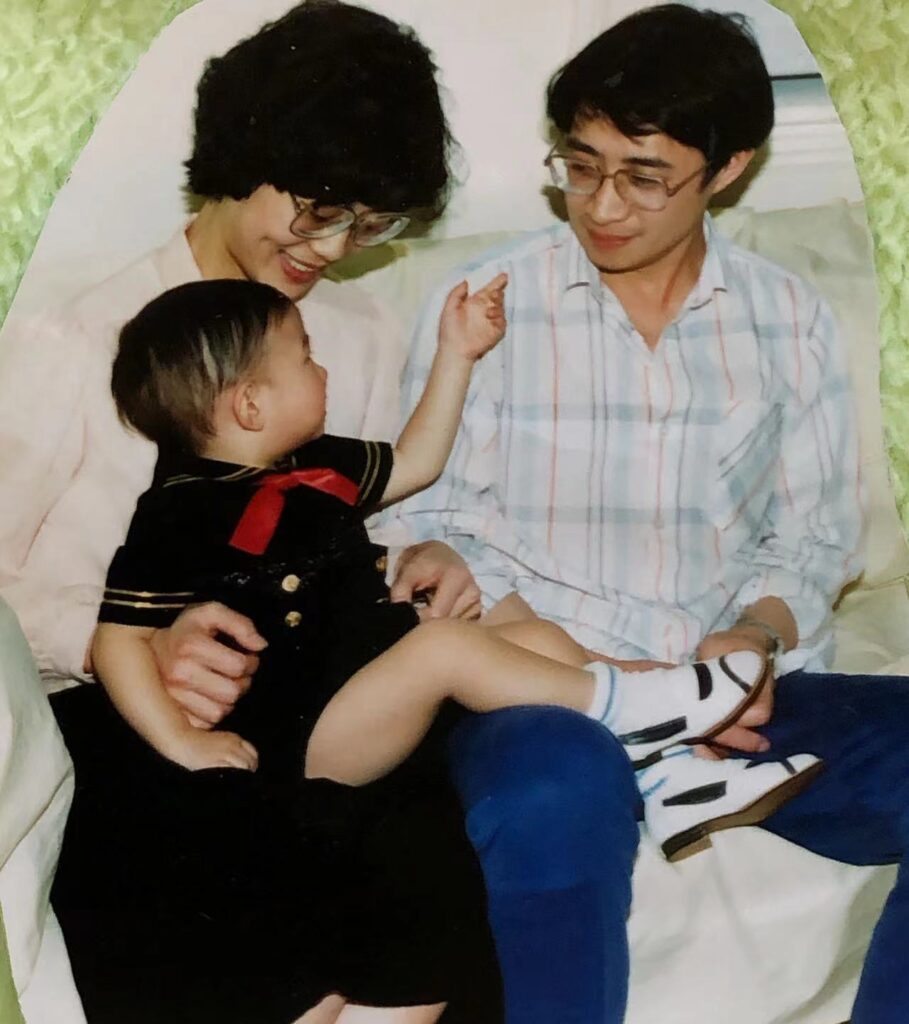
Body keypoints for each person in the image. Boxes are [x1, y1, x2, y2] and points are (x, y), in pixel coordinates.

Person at [389, 6, 909, 1024]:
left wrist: (751, 640)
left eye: (643, 175)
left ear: (730, 169)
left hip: (734, 693)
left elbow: (810, 537)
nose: (602, 204)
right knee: (550, 799)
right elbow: (425, 524)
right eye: (580, 167)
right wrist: (599, 674)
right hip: (547, 689)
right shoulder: (487, 304)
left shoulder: (786, 316)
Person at [0, 4, 502, 1022]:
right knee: (189, 859)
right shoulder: (77, 334)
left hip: (314, 697)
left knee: (427, 844)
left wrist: (424, 552)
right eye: (317, 207)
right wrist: (125, 645)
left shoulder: (354, 331)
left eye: (367, 221)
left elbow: (349, 507)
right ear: (242, 156)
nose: (333, 245)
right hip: (122, 717)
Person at [97, 276, 815, 859]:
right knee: (444, 645)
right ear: (250, 402)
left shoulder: (318, 469)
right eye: (304, 355)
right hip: (305, 739)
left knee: (526, 634)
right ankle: (633, 705)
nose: (322, 368)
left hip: (377, 685)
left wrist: (457, 353)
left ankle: (670, 781)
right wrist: (183, 742)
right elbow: (118, 638)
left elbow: (416, 461)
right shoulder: (177, 513)